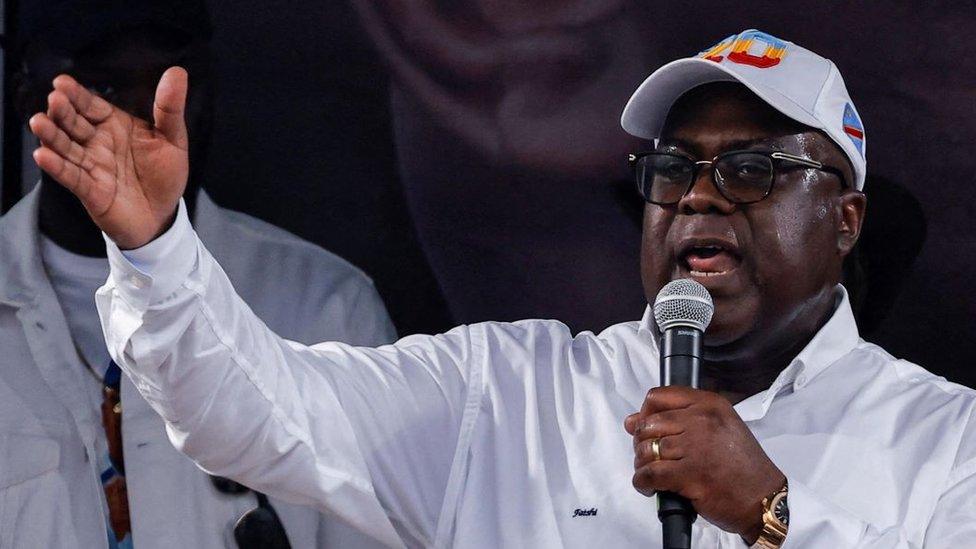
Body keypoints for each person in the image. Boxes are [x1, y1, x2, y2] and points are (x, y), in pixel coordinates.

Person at [29, 28, 976, 547]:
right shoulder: (511, 393)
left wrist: (773, 514)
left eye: (751, 170)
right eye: (672, 167)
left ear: (845, 220)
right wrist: (155, 248)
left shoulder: (945, 441)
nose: (696, 196)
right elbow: (253, 410)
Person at [3, 1, 395, 547]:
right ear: (27, 96)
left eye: (170, 83)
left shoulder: (323, 307)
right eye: (106, 88)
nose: (144, 118)